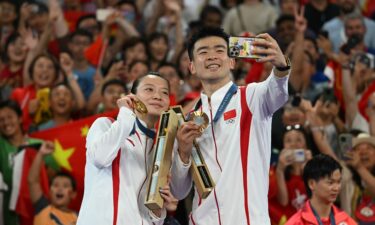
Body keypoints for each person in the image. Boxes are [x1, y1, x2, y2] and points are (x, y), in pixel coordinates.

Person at [171, 26, 290, 224]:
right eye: (203, 52)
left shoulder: (252, 98)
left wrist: (281, 66)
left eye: (219, 50)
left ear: (232, 61)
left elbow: (278, 91)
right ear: (191, 66)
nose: (211, 56)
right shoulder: (188, 121)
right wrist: (183, 152)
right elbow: (179, 190)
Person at [77, 73, 178, 225]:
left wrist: (159, 210)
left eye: (164, 92)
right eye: (149, 89)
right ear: (132, 97)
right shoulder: (105, 125)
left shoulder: (161, 150)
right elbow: (100, 158)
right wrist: (125, 112)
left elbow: (152, 218)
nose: (158, 96)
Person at [285, 154, 357, 225]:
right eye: (330, 183)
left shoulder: (346, 221)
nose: (336, 188)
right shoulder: (296, 222)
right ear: (312, 184)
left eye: (338, 182)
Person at [28, 141, 78, 225]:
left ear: (73, 194)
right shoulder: (43, 208)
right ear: (50, 191)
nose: (60, 188)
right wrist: (41, 153)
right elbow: (33, 181)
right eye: (55, 185)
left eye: (65, 186)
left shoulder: (80, 217)